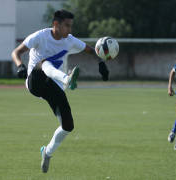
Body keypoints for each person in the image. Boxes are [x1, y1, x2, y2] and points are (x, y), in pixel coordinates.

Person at [11, 9, 109, 173]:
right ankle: (67, 78)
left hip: (53, 87)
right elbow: (16, 52)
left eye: (71, 26)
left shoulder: (69, 40)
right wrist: (20, 66)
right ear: (56, 24)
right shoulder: (40, 36)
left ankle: (47, 153)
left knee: (68, 126)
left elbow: (91, 50)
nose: (70, 30)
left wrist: (101, 63)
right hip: (35, 81)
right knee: (43, 63)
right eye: (67, 26)